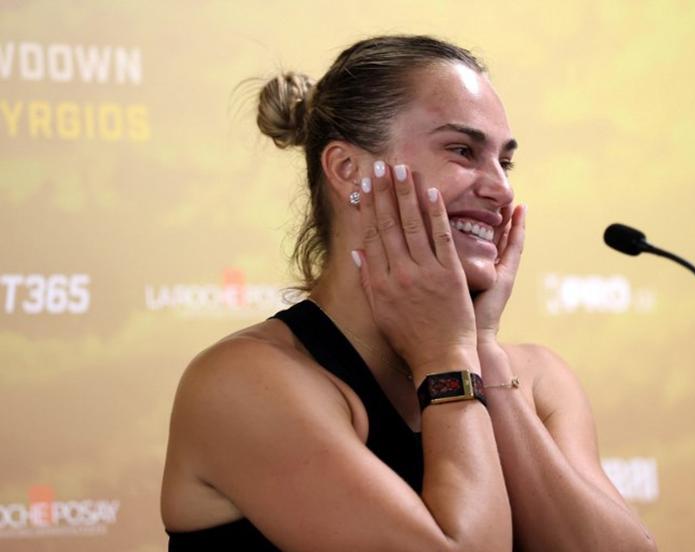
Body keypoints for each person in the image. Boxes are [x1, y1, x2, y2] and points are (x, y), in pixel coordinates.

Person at [160, 35, 657, 552]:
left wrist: (481, 348)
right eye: (463, 151)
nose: (501, 189)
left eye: (505, 163)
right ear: (348, 170)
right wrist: (446, 358)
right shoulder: (242, 383)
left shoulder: (536, 378)